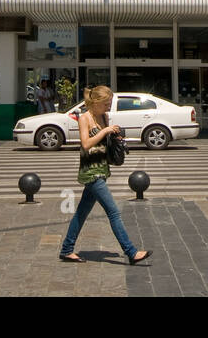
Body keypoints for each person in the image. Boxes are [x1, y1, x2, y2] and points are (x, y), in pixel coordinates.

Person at [59, 86, 151, 266]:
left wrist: (115, 137)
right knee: (114, 212)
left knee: (81, 213)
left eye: (109, 103)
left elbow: (104, 142)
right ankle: (131, 252)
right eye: (106, 104)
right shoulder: (84, 118)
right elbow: (86, 144)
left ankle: (66, 250)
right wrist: (105, 131)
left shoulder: (104, 117)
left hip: (102, 168)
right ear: (96, 103)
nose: (109, 107)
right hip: (91, 171)